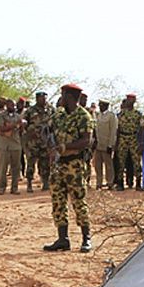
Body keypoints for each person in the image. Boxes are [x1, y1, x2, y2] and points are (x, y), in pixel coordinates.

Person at [44, 84, 93, 253]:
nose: (61, 98)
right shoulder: (59, 115)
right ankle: (62, 239)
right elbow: (48, 131)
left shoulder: (83, 116)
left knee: (79, 201)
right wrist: (51, 145)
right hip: (59, 164)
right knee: (58, 201)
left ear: (70, 97)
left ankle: (86, 238)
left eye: (63, 95)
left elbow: (86, 141)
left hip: (75, 164)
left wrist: (65, 146)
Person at [22, 91, 55, 192]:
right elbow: (24, 123)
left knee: (45, 163)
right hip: (33, 142)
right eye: (41, 98)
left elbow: (55, 123)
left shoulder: (51, 109)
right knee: (31, 162)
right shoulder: (30, 110)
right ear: (37, 99)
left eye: (45, 98)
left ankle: (45, 182)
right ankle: (29, 183)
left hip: (46, 141)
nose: (44, 100)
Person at [0, 98, 25, 194]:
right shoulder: (0, 116)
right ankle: (2, 188)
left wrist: (21, 126)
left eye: (14, 105)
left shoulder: (17, 116)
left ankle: (14, 188)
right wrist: (15, 125)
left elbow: (20, 131)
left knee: (16, 168)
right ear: (7, 105)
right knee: (3, 168)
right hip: (4, 145)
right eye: (11, 105)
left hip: (16, 144)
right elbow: (1, 128)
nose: (13, 106)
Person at [116, 94, 144, 190]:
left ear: (135, 101)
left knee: (136, 161)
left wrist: (141, 142)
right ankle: (120, 183)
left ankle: (138, 183)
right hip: (123, 138)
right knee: (121, 161)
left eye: (132, 99)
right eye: (128, 99)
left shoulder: (138, 114)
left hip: (134, 138)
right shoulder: (120, 114)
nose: (129, 101)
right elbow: (117, 129)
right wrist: (116, 143)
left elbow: (142, 129)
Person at [93, 99, 117, 189]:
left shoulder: (111, 116)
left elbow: (113, 131)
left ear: (106, 106)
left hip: (107, 144)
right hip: (98, 144)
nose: (100, 106)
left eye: (101, 105)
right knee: (97, 164)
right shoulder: (98, 115)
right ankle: (99, 183)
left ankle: (110, 182)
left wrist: (111, 145)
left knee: (108, 165)